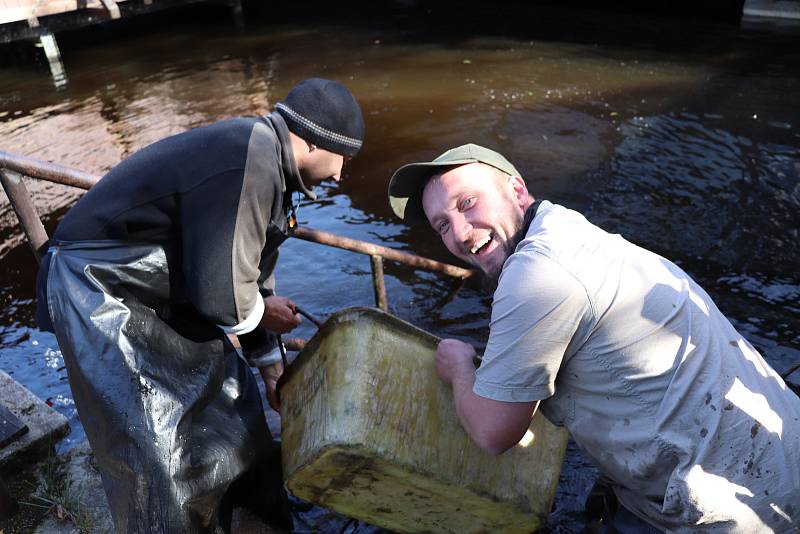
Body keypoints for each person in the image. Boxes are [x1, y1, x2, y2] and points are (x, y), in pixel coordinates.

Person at [388, 144, 800, 533]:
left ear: (516, 190)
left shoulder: (536, 274)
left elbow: (493, 432)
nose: (459, 233)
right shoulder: (564, 226)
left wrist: (458, 367)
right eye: (442, 224)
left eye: (467, 203)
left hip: (739, 507)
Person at [35, 78, 365, 533]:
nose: (341, 175)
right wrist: (264, 313)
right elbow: (223, 298)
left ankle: (257, 519)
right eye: (343, 158)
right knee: (157, 453)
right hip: (97, 287)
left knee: (237, 414)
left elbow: (248, 276)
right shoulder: (250, 160)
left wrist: (270, 366)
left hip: (165, 291)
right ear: (311, 141)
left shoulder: (271, 169)